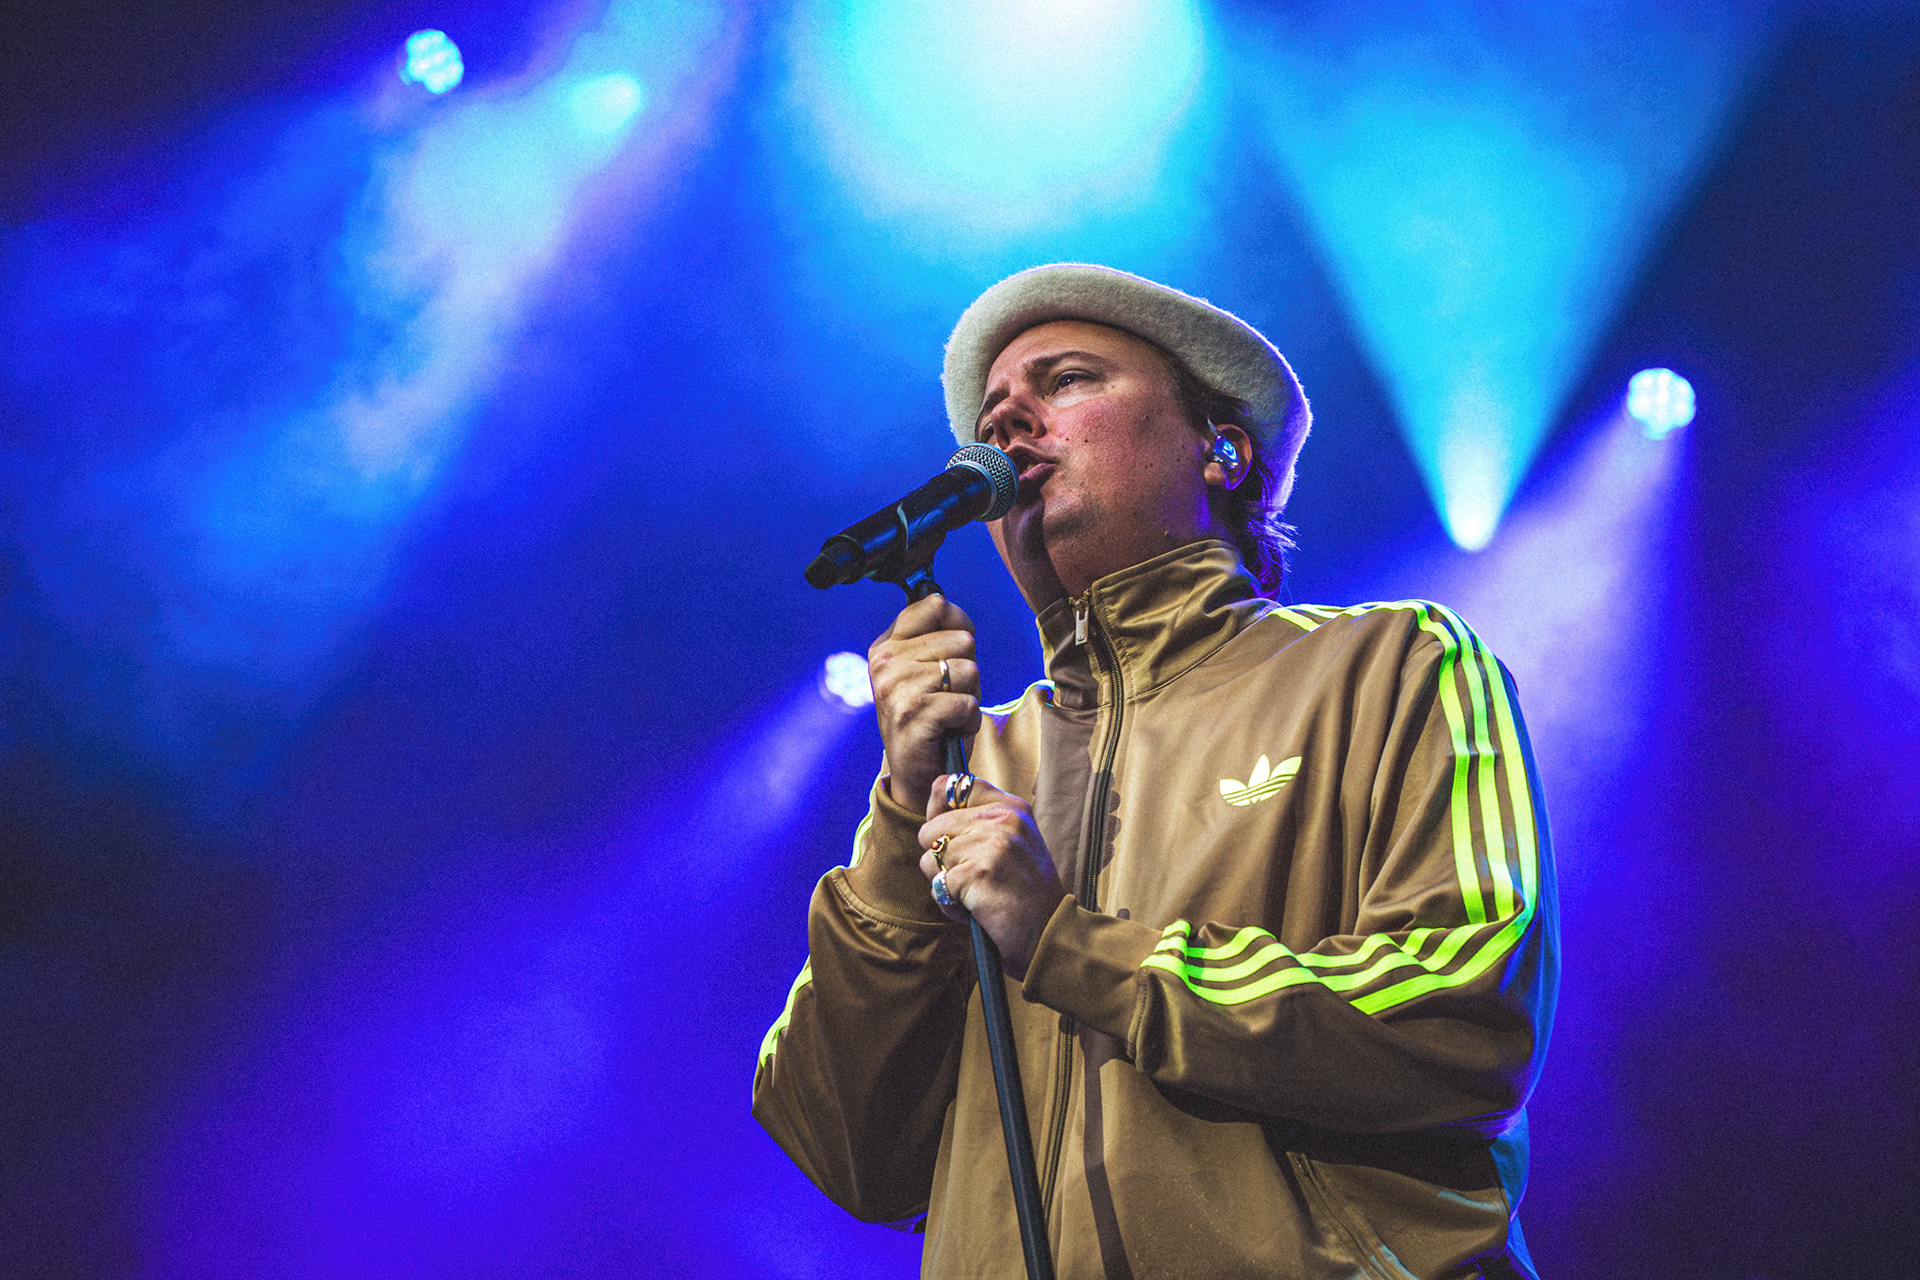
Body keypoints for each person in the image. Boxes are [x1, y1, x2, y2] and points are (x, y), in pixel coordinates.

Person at [753, 263, 1557, 1279]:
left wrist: (1066, 943)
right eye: (992, 416)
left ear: (1222, 450)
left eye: (1067, 381)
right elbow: (849, 1152)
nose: (1009, 425)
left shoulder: (1391, 664)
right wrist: (901, 817)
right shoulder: (972, 761)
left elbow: (1464, 1011)